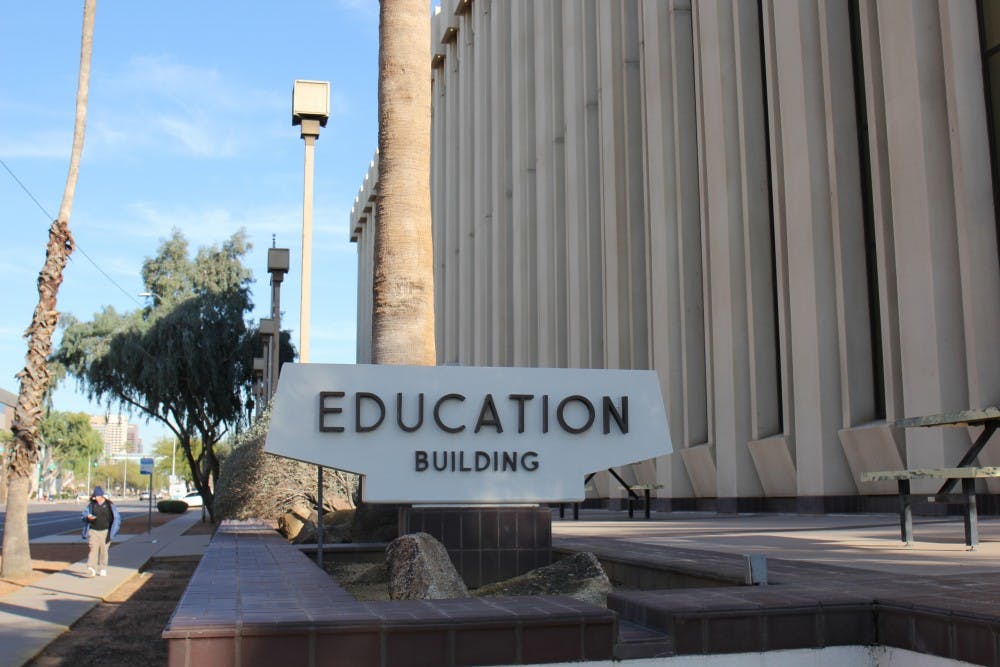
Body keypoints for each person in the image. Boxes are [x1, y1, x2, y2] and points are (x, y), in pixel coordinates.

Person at [80, 486, 122, 577]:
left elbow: (117, 518)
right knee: (93, 549)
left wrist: (113, 531)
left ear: (102, 496)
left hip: (106, 531)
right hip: (93, 531)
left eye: (98, 497)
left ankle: (103, 568)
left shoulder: (109, 505)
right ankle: (91, 568)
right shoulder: (91, 505)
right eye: (95, 497)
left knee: (104, 550)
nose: (97, 499)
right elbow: (84, 514)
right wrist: (88, 517)